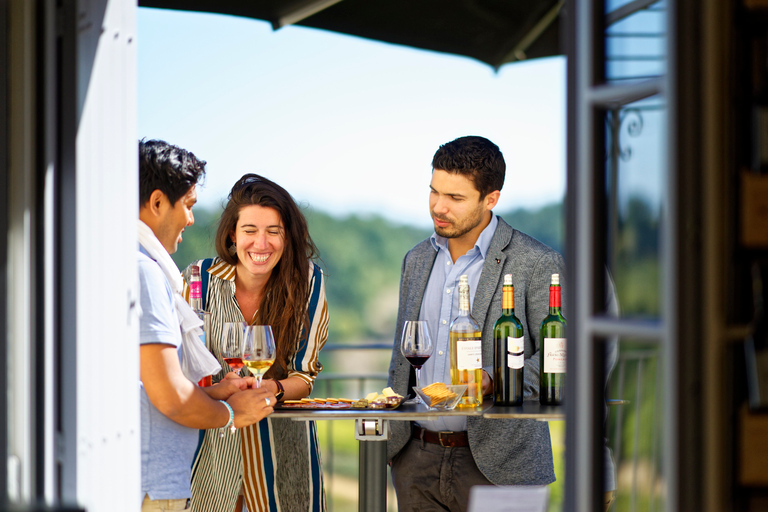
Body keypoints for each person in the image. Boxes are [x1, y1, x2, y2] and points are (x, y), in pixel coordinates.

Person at [386, 135, 566, 510]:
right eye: (434, 192)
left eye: (455, 198)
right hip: (415, 458)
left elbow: (560, 357)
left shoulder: (535, 262)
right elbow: (405, 354)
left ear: (491, 199)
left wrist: (494, 378)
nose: (439, 206)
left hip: (502, 463)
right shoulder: (416, 259)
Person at [138, 139, 275, 512]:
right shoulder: (146, 274)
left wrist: (215, 394)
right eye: (188, 205)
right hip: (153, 482)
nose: (191, 219)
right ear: (156, 203)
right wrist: (233, 414)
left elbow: (147, 385)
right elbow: (168, 397)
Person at [183, 173, 330, 512]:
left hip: (282, 454)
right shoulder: (197, 280)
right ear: (233, 234)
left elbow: (303, 376)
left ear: (287, 237)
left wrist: (271, 390)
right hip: (210, 452)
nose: (261, 244)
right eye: (250, 231)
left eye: (273, 231)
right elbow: (179, 366)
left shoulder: (308, 282)